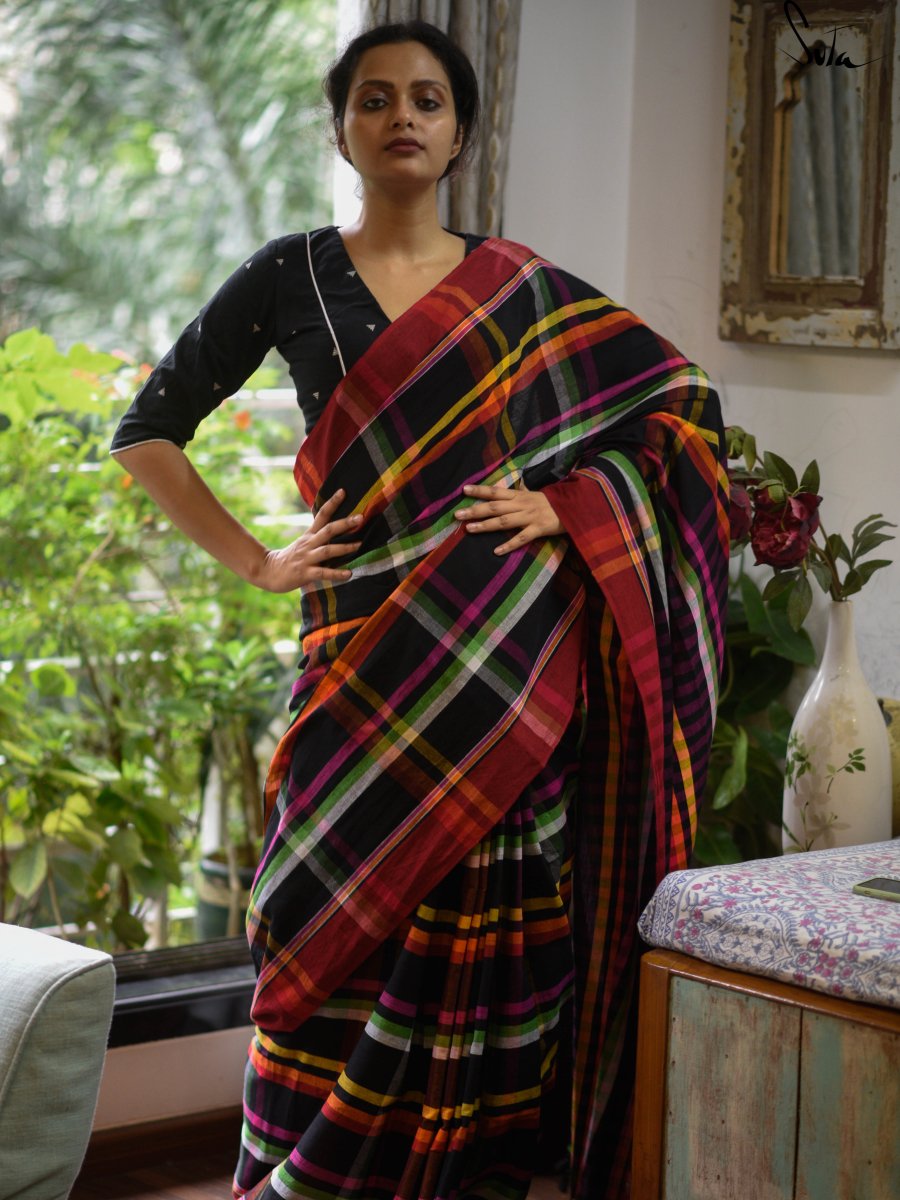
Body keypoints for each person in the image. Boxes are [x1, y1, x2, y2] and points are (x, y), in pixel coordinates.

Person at [111, 20, 729, 1200]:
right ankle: (309, 1172)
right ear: (341, 128)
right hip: (355, 653)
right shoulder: (289, 274)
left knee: (490, 929)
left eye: (429, 100)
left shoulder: (522, 290)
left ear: (460, 135)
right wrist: (260, 563)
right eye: (377, 97)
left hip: (501, 667)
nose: (403, 116)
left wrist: (568, 508)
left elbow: (681, 410)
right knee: (322, 905)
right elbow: (148, 431)